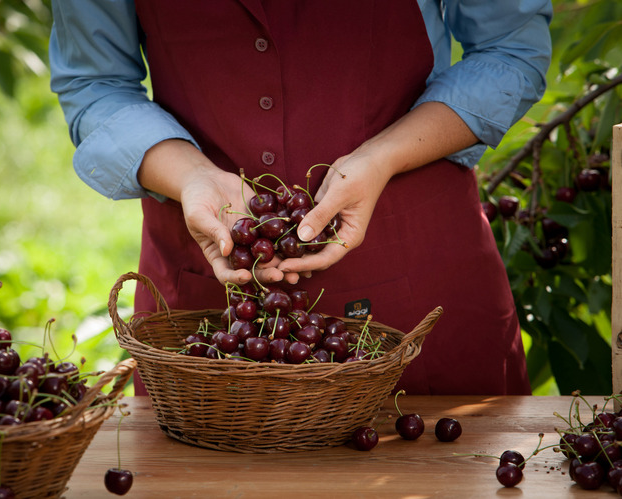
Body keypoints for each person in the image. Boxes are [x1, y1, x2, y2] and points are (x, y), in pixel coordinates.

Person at [49, 0, 553, 395]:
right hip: (210, 293)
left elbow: (510, 48)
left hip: (420, 279)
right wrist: (191, 176)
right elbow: (94, 82)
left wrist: (382, 157)